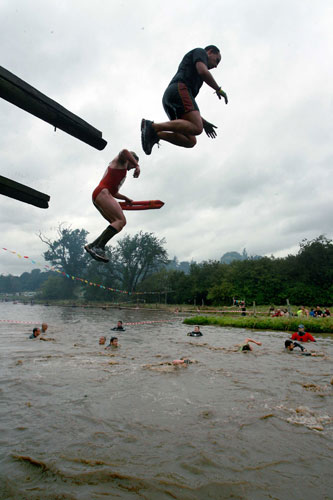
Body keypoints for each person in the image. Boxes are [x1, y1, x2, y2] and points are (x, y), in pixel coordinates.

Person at [141, 45, 228, 155]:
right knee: (197, 127)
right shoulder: (200, 52)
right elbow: (203, 71)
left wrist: (204, 123)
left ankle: (155, 134)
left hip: (172, 97)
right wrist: (218, 89)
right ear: (210, 52)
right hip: (178, 88)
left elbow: (189, 108)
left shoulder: (196, 80)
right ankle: (152, 126)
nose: (216, 66)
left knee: (190, 140)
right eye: (217, 60)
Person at [85, 149, 140, 263]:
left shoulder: (121, 169)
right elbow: (124, 151)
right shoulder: (121, 161)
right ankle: (98, 247)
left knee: (117, 222)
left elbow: (114, 192)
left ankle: (93, 245)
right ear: (131, 159)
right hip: (102, 192)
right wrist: (137, 166)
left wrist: (126, 198)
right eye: (132, 165)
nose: (131, 169)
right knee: (120, 221)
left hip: (102, 193)